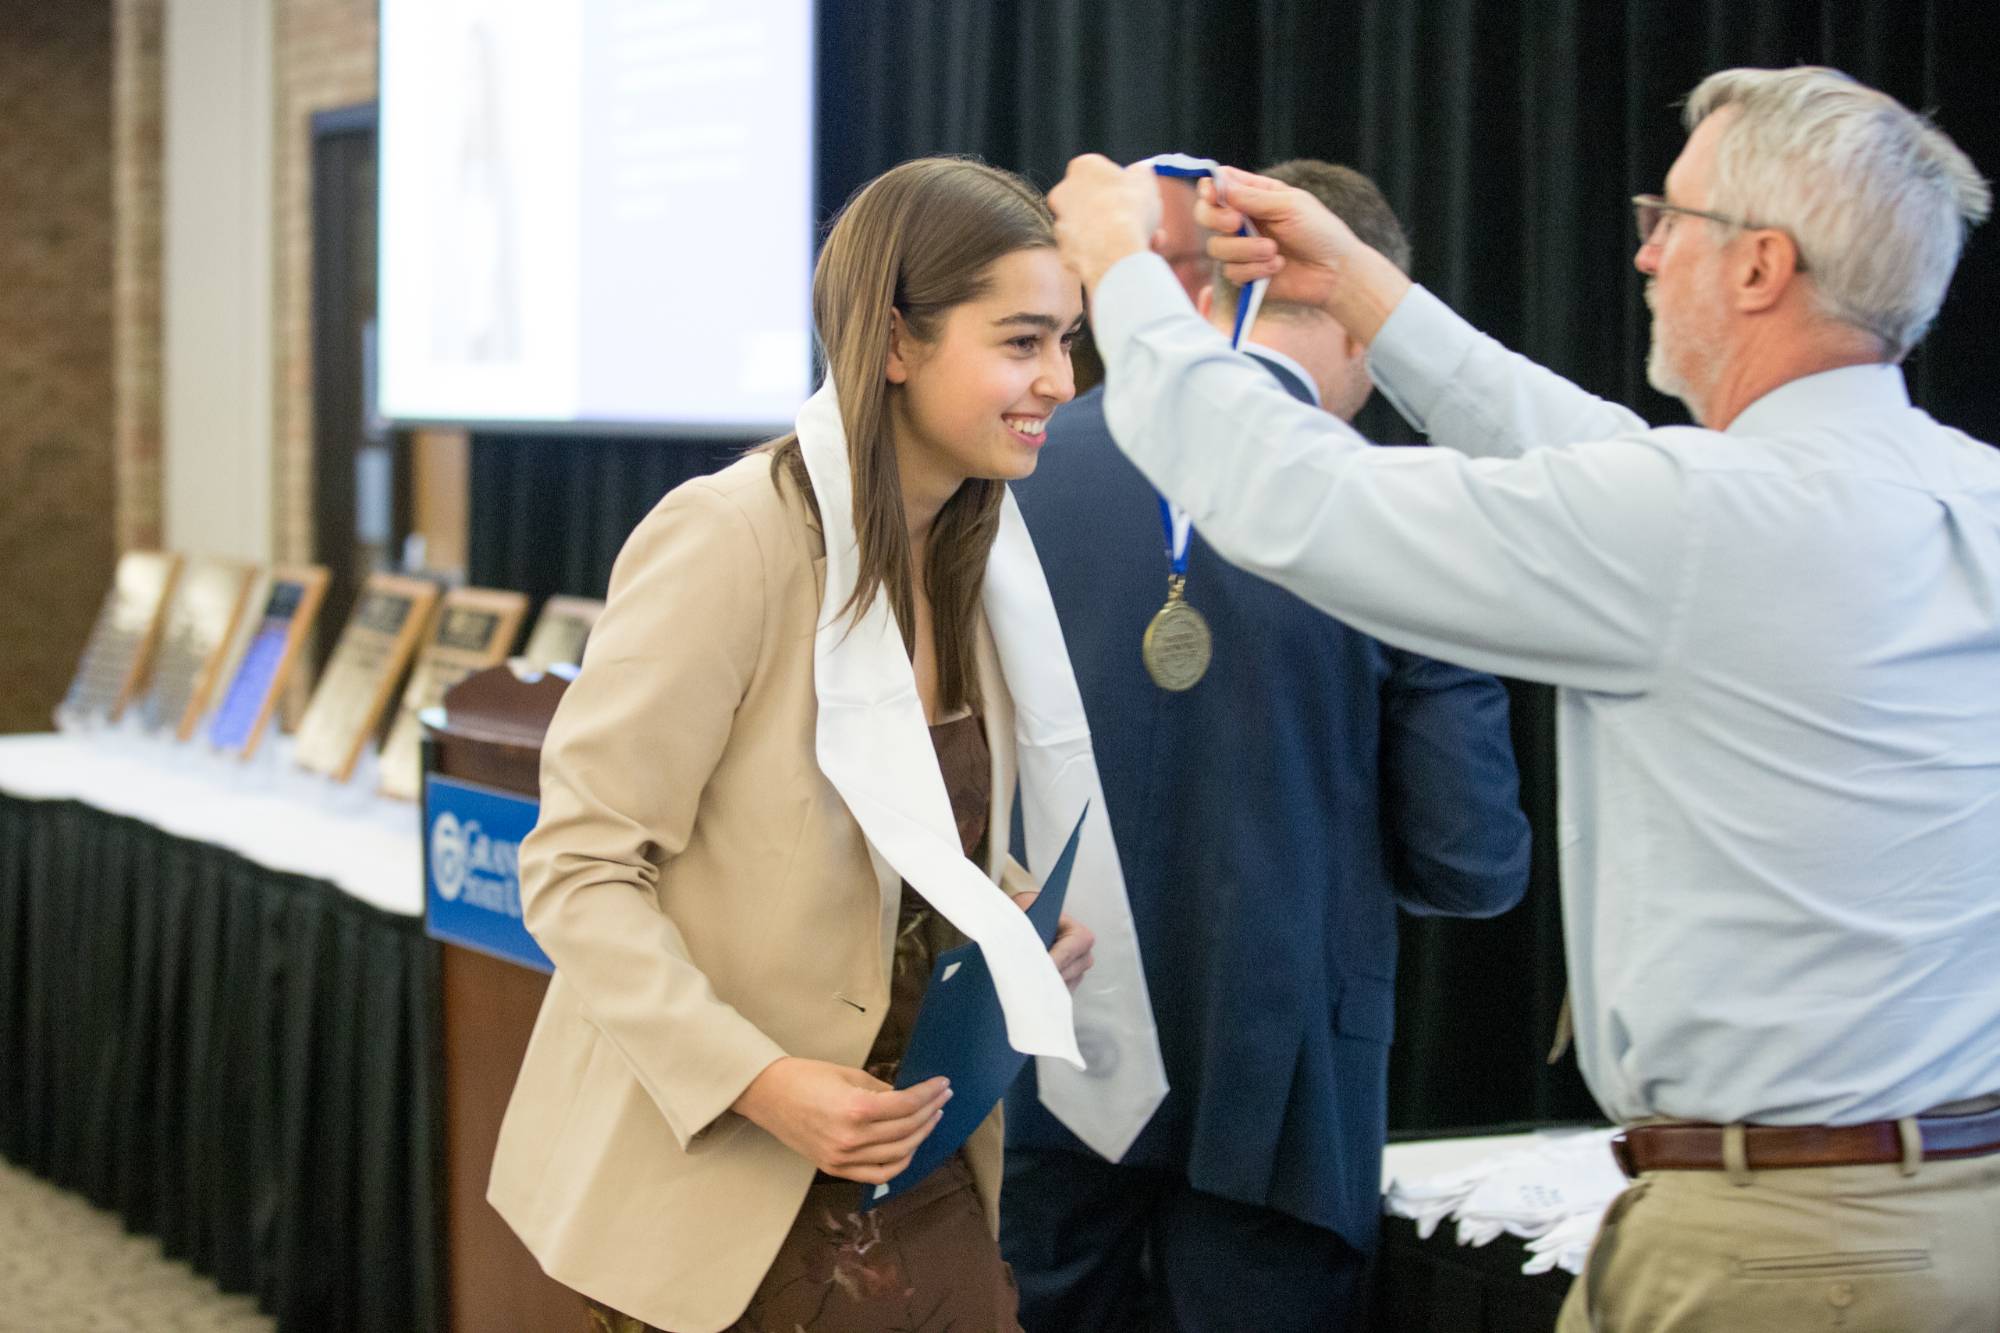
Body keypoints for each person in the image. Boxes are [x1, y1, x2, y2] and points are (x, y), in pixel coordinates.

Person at [1046, 65, 2000, 1331]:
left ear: (1760, 266)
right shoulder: (1957, 487)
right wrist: (1365, 293)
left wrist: (1122, 274)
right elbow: (1593, 450)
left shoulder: (1699, 518)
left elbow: (1294, 497)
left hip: (1779, 1253)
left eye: (1670, 220)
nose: (1645, 254)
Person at [487, 156, 1123, 1333]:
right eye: (1022, 341)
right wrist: (762, 1082)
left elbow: (899, 841)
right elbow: (575, 869)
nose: (1060, 381)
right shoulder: (730, 538)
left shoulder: (971, 554)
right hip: (728, 1174)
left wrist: (1009, 914)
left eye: (1067, 341)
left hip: (913, 1151)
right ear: (894, 342)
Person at [1000, 159, 1529, 1333]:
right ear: (1356, 315)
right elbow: (1470, 860)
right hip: (1283, 1089)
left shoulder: (1011, 472)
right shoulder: (1404, 508)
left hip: (1040, 1059)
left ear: (1201, 292)